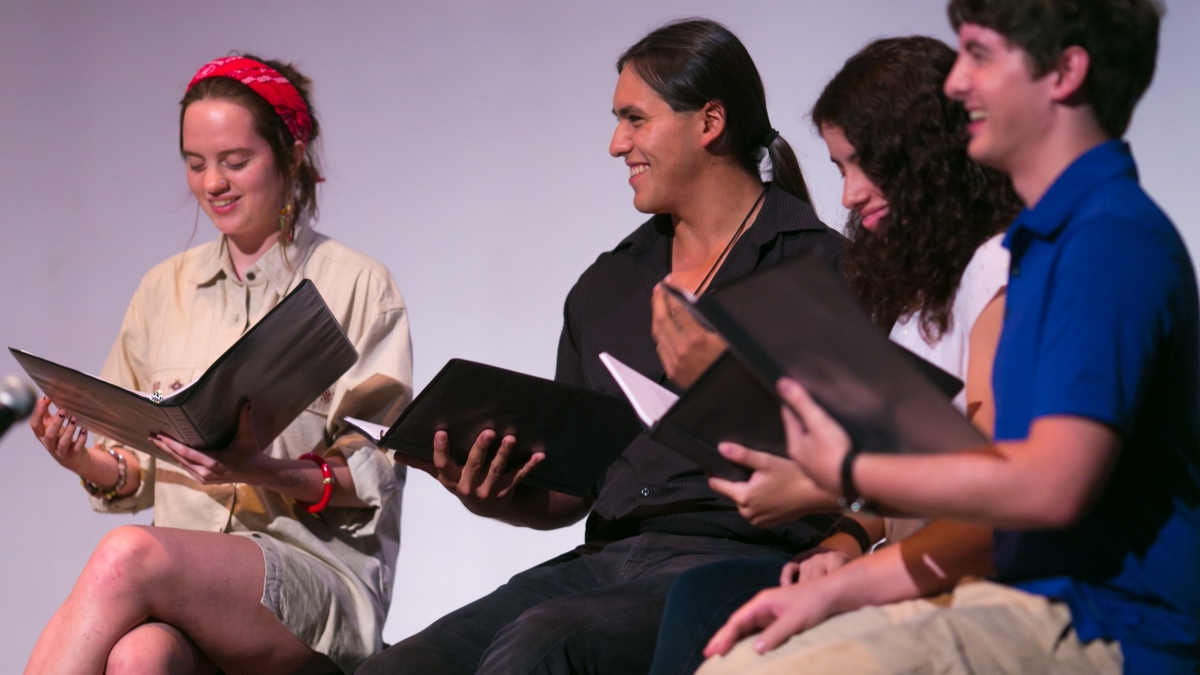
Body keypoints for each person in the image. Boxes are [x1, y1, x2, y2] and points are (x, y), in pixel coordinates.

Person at [703, 1, 1194, 673]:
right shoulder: (1044, 245)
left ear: (1065, 72)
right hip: (1026, 600)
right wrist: (838, 582)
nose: (957, 82)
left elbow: (1049, 487)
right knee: (739, 651)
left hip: (1102, 624)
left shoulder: (1110, 238)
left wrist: (847, 471)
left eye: (980, 55)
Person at [357, 19, 845, 675]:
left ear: (709, 122)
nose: (617, 144)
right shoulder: (607, 285)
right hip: (607, 559)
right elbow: (575, 490)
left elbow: (867, 466)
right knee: (401, 667)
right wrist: (492, 492)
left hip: (743, 559)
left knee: (542, 647)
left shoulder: (820, 267)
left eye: (635, 120)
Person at [24, 55, 413, 675]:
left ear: (291, 155)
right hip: (192, 582)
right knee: (138, 656)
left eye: (235, 162)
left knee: (127, 555)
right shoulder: (163, 289)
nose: (213, 184)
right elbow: (141, 472)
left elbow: (375, 478)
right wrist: (82, 458)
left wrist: (260, 470)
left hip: (314, 581)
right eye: (194, 163)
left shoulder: (356, 285)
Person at [646, 35, 1021, 675]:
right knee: (700, 597)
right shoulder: (914, 296)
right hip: (909, 561)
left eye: (858, 166)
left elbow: (988, 493)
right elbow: (899, 474)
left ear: (921, 158)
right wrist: (848, 538)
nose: (845, 196)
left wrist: (830, 488)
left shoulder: (999, 274)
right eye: (838, 169)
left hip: (972, 581)